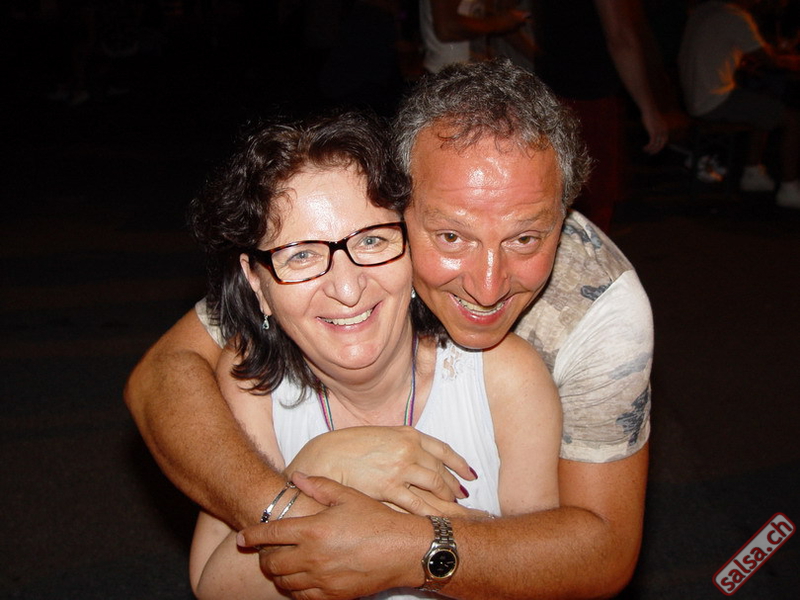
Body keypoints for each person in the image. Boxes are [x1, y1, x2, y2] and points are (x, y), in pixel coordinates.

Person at [125, 59, 652, 599]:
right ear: (405, 208)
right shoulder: (301, 267)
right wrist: (309, 480)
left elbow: (591, 553)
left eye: (525, 238)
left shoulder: (591, 321)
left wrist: (406, 548)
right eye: (450, 236)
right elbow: (160, 376)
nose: (487, 287)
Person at [184, 110, 561, 598]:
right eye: (301, 255)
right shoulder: (252, 388)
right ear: (257, 283)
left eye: (372, 240)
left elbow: (543, 573)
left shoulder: (505, 380)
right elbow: (216, 588)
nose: (347, 289)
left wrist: (404, 547)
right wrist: (317, 468)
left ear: (411, 248)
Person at [532, 0, 670, 231]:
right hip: (588, 97)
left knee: (558, 191)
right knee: (592, 197)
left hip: (552, 91)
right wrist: (648, 108)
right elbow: (621, 38)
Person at [678, 0, 800, 208]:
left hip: (694, 96)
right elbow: (771, 60)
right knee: (793, 119)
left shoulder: (704, 9)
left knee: (763, 102)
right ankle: (790, 188)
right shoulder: (735, 16)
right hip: (714, 100)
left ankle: (753, 173)